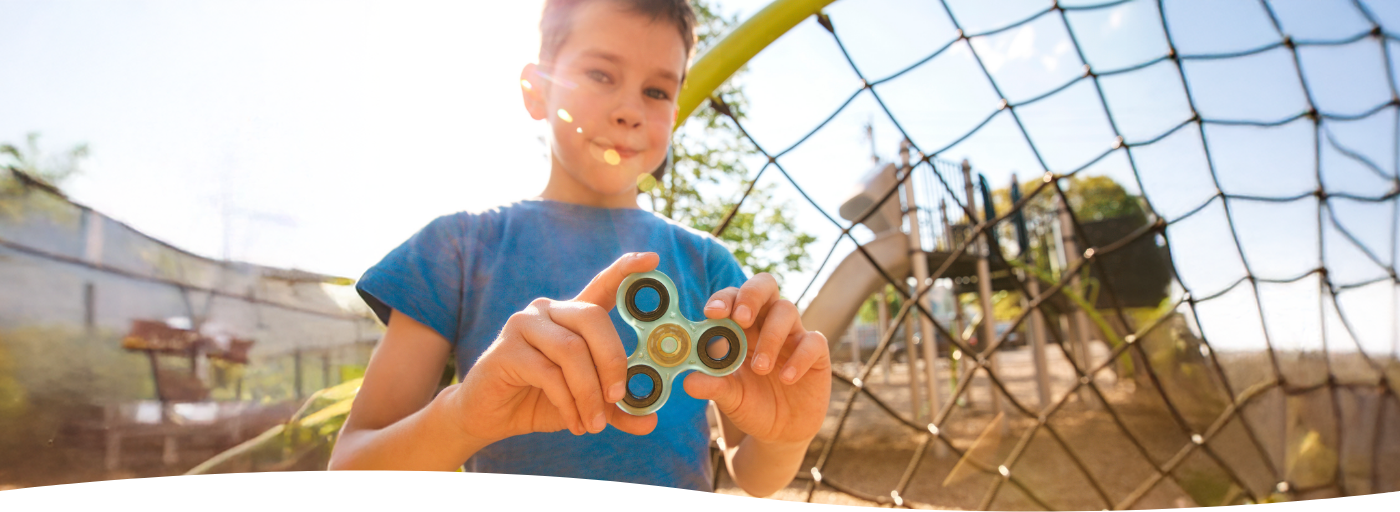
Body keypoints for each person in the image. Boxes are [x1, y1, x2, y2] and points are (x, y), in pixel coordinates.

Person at [326, 0, 833, 497]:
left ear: (675, 112)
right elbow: (351, 462)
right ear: (537, 89)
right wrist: (463, 417)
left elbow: (754, 476)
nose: (630, 111)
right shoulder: (456, 248)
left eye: (656, 91)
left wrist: (787, 438)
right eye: (600, 75)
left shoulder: (709, 265)